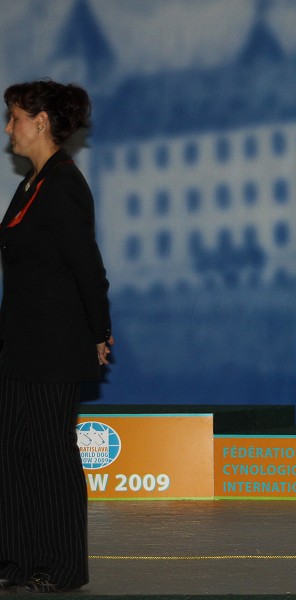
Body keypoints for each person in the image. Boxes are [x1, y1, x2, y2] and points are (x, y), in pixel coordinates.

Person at [0, 80, 112, 593]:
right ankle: (16, 560)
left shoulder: (64, 183)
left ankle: (62, 566)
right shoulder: (32, 183)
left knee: (50, 456)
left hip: (54, 346)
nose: (9, 128)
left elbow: (88, 268)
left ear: (41, 122)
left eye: (15, 118)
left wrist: (99, 331)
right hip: (19, 344)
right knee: (11, 452)